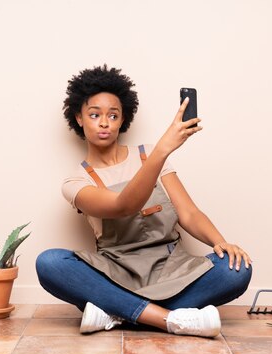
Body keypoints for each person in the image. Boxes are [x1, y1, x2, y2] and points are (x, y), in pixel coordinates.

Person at [36, 65, 252, 338]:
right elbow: (122, 206)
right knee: (50, 263)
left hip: (171, 268)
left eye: (113, 115)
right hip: (116, 272)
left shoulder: (147, 155)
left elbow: (189, 213)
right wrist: (162, 149)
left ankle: (117, 312)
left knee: (237, 269)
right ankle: (169, 320)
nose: (104, 123)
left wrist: (220, 242)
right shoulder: (76, 182)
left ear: (122, 119)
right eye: (94, 115)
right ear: (79, 118)